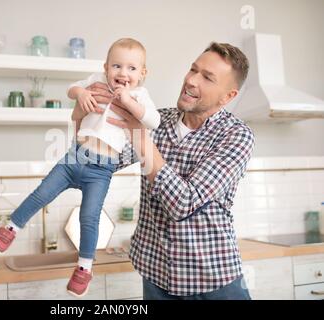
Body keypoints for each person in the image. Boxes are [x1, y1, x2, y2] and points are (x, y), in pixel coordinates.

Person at [0, 38, 160, 297]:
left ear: (143, 73)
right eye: (116, 66)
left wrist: (129, 100)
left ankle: (84, 268)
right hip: (75, 157)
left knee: (89, 218)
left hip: (101, 170)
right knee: (41, 194)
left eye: (132, 68)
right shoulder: (96, 80)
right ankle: (11, 228)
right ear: (106, 67)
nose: (123, 73)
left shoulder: (140, 95)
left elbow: (153, 120)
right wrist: (81, 94)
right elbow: (72, 89)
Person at [87, 42, 255, 300]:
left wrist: (139, 135)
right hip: (156, 277)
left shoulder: (236, 136)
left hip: (211, 281)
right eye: (193, 69)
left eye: (207, 78)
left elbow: (183, 203)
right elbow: (101, 161)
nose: (191, 80)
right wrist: (90, 109)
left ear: (228, 96)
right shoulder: (156, 119)